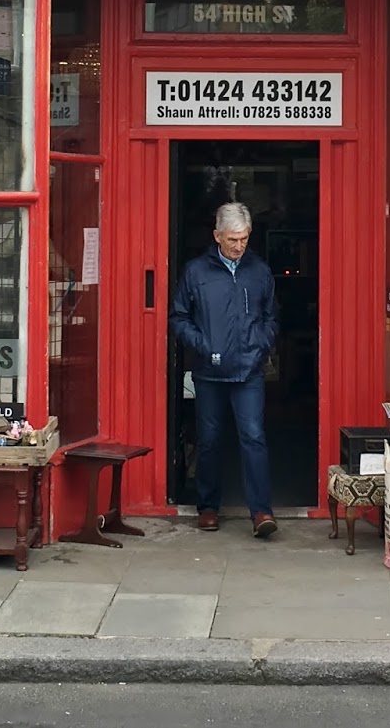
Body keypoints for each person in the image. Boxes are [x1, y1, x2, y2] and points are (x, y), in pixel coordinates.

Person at [169, 202, 280, 538]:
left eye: (244, 238)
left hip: (249, 371)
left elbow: (272, 317)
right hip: (209, 372)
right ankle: (208, 508)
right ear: (217, 236)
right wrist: (203, 345)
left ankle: (261, 511)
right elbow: (178, 317)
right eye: (233, 239)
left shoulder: (258, 271)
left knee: (254, 438)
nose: (239, 246)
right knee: (210, 441)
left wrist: (260, 343)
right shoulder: (196, 272)